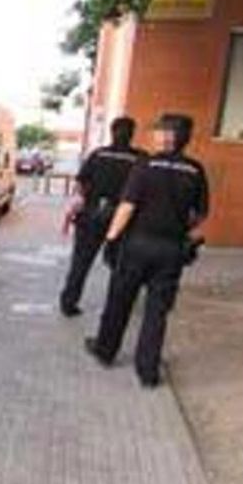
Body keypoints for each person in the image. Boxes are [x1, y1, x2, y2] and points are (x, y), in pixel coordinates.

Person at [85, 113, 209, 388]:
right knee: (157, 311)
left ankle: (106, 350)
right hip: (171, 250)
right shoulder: (196, 170)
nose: (156, 135)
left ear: (165, 136)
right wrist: (177, 225)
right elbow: (199, 215)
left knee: (120, 300)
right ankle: (148, 371)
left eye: (159, 131)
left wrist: (112, 237)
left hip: (137, 246)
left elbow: (127, 206)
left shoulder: (145, 166)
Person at [59, 116, 146, 316]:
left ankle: (68, 303)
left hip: (91, 214)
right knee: (120, 268)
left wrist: (81, 201)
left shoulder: (98, 154)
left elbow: (80, 183)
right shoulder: (140, 158)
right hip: (122, 220)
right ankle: (114, 310)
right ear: (132, 134)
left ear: (111, 132)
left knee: (80, 262)